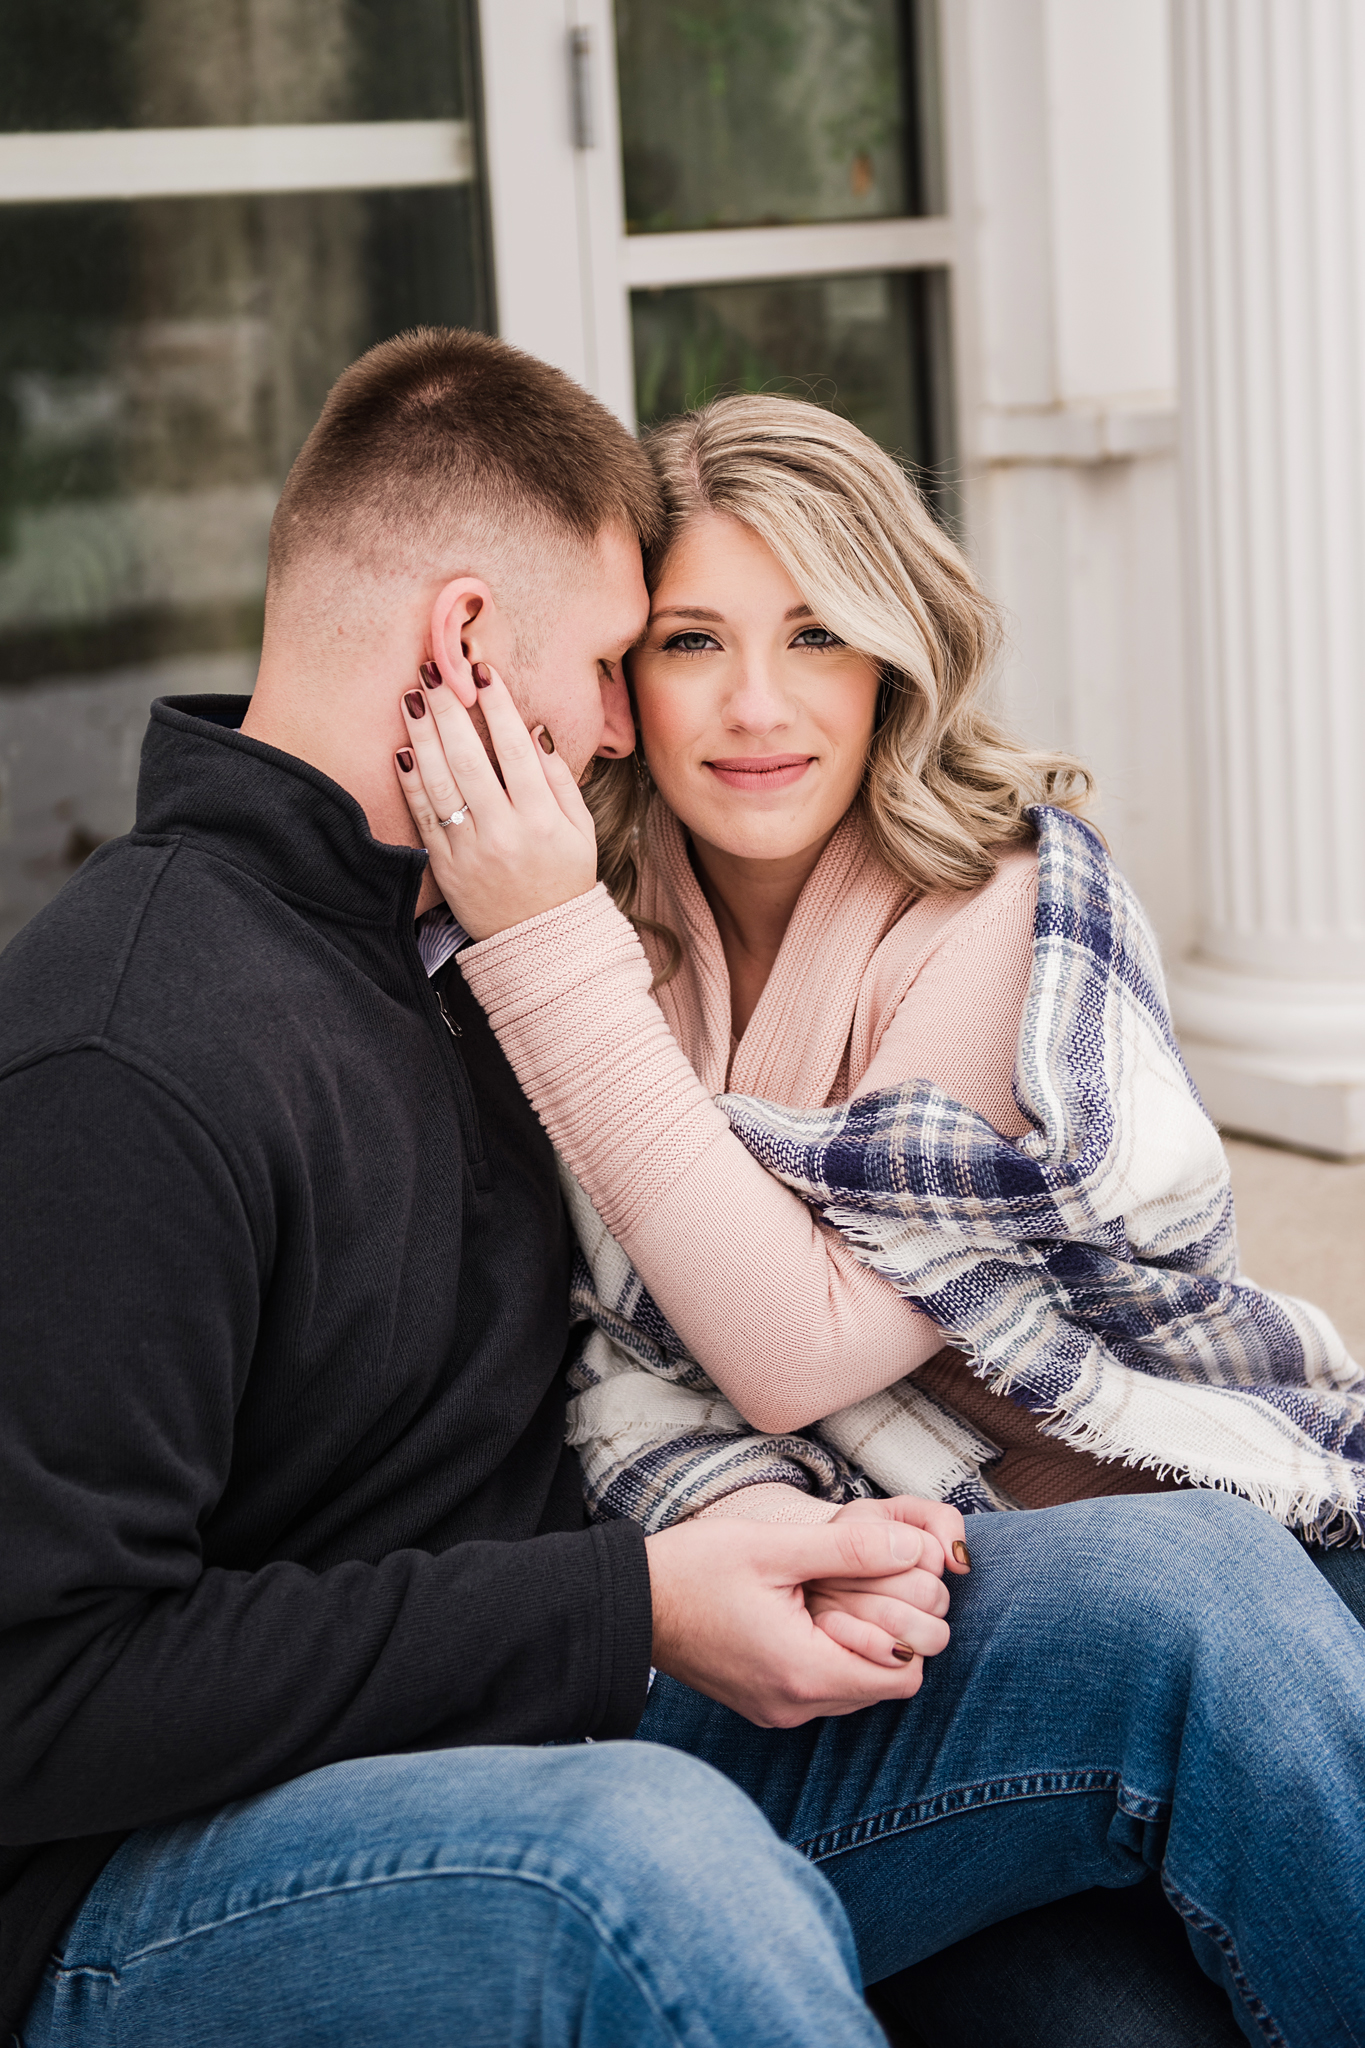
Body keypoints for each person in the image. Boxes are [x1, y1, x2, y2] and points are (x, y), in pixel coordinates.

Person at [2, 335, 1362, 2048]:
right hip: (201, 1874)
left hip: (578, 1695)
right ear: (466, 648)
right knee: (653, 1867)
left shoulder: (443, 936)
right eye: (626, 658)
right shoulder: (124, 1054)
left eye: (806, 640)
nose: (627, 728)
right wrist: (626, 1601)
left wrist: (705, 1571)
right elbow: (35, 1690)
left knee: (1189, 1603)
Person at [389, 387, 1365, 2047]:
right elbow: (652, 1366)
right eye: (692, 640)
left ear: (893, 659)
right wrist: (547, 928)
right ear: (618, 682)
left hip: (1194, 1559)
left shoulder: (1003, 896)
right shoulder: (580, 921)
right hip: (874, 1636)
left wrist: (541, 946)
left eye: (817, 634)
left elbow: (794, 1340)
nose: (754, 706)